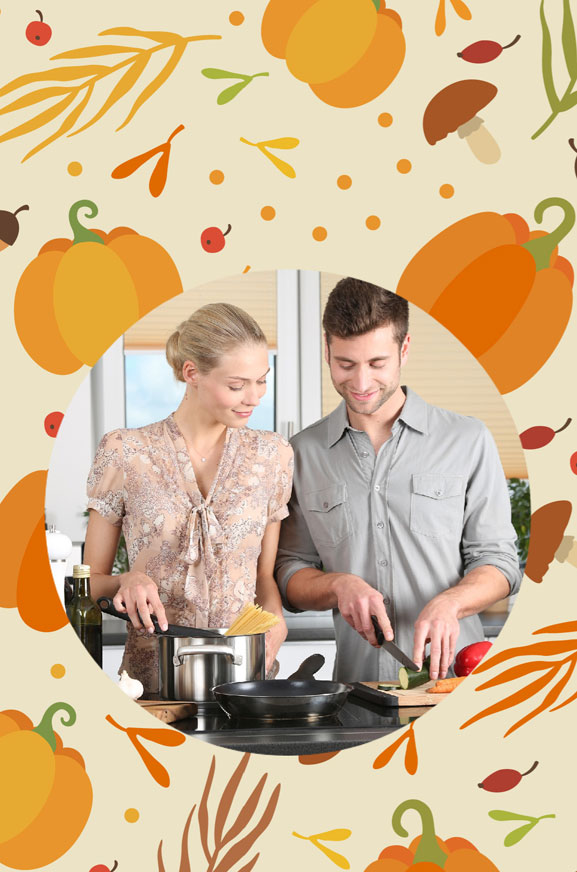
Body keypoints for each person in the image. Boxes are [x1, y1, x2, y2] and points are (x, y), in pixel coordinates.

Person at [275, 277, 521, 685]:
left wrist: (452, 602)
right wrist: (338, 585)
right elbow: (289, 571)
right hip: (356, 692)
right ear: (327, 350)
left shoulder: (467, 439)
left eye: (377, 364)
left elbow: (498, 562)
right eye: (345, 364)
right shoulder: (301, 453)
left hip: (458, 686)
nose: (361, 383)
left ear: (404, 350)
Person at [84, 302, 293, 694]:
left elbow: (263, 576)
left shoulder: (273, 455)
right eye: (236, 385)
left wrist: (276, 618)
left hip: (245, 681)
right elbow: (86, 586)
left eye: (261, 381)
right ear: (191, 372)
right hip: (151, 684)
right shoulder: (125, 451)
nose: (254, 397)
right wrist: (126, 580)